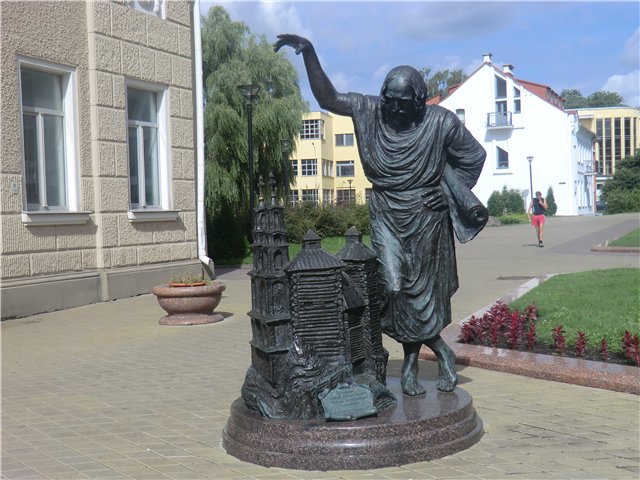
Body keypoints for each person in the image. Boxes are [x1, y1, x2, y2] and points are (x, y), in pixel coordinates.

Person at [274, 34, 487, 396]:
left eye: (404, 103)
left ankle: (411, 364)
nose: (395, 108)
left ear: (418, 101)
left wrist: (447, 194)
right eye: (390, 100)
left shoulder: (441, 122)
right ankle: (441, 351)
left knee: (424, 294)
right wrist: (309, 53)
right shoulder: (369, 109)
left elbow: (474, 157)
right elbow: (329, 99)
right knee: (393, 287)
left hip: (426, 215)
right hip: (387, 210)